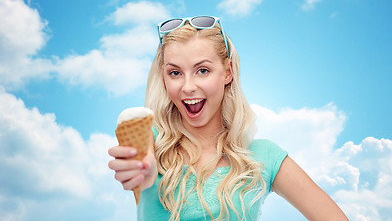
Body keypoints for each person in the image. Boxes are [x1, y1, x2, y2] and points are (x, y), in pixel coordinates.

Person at [108, 16, 348, 220]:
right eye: (175, 73)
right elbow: (144, 166)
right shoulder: (151, 140)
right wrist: (144, 170)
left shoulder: (264, 157)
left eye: (202, 70)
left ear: (228, 72)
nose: (187, 86)